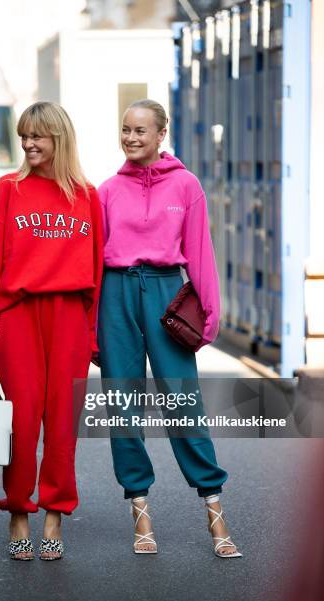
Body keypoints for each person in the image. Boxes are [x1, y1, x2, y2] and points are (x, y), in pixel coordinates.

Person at [97, 99, 241, 558]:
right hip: (116, 294)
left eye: (141, 130)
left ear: (162, 135)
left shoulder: (186, 185)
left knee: (182, 403)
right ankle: (140, 513)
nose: (131, 137)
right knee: (123, 407)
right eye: (126, 129)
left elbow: (199, 252)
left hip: (165, 294)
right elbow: (92, 262)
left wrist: (210, 313)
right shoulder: (106, 191)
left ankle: (215, 513)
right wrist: (90, 327)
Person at [0, 101, 103, 561]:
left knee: (62, 425)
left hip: (68, 319)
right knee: (19, 425)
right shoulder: (8, 190)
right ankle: (19, 514)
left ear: (58, 138)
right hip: (17, 318)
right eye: (24, 136)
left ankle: (54, 518)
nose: (27, 144)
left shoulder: (86, 195)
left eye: (37, 136)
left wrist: (94, 334)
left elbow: (98, 270)